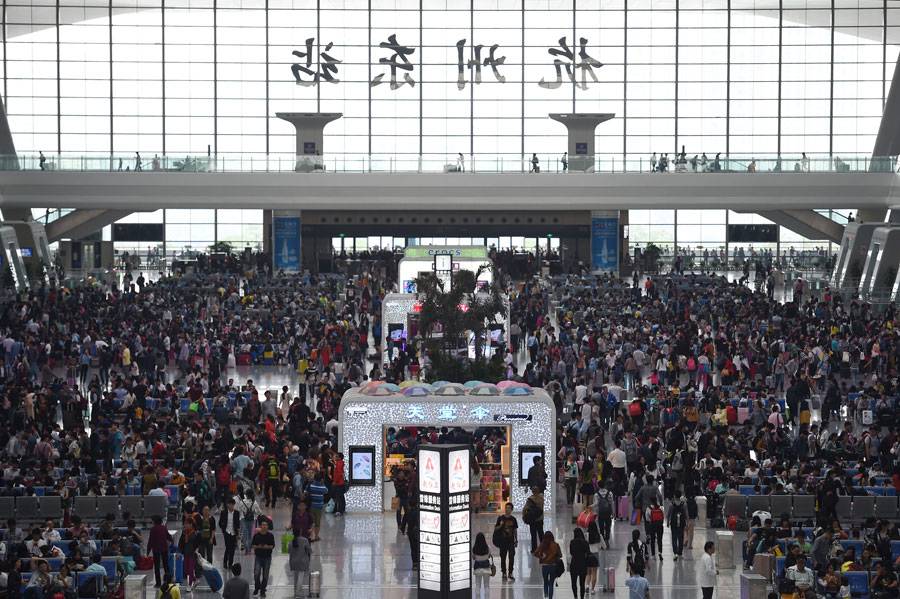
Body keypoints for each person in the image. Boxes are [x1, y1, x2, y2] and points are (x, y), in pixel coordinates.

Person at [494, 502, 518, 582]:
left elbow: (515, 530)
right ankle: (504, 572)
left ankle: (510, 572)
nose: (507, 510)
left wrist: (516, 540)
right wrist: (500, 525)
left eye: (509, 508)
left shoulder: (513, 519)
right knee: (503, 557)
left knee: (511, 557)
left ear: (511, 510)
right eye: (506, 508)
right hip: (502, 541)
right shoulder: (500, 518)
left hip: (511, 542)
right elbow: (496, 529)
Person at [533, 531, 561, 599]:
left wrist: (542, 557)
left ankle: (545, 594)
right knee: (551, 583)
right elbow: (560, 555)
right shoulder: (556, 545)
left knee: (545, 581)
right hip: (553, 566)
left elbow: (535, 553)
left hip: (545, 565)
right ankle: (550, 597)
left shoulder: (542, 545)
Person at [148, 514, 173, 588]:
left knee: (157, 566)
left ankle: (158, 583)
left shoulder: (152, 530)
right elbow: (169, 536)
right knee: (166, 565)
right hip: (164, 549)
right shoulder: (164, 528)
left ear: (154, 521)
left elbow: (150, 541)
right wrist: (172, 541)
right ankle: (168, 581)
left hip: (156, 550)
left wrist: (148, 550)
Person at [251, 520, 275, 598]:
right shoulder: (256, 536)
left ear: (267, 527)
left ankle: (262, 590)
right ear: (260, 526)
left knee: (265, 575)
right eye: (263, 525)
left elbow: (272, 546)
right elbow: (253, 546)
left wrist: (267, 547)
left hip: (267, 557)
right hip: (258, 557)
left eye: (266, 525)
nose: (264, 526)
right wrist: (259, 547)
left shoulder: (270, 536)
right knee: (256, 573)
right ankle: (257, 587)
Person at [219, 498, 241, 571]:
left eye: (232, 504)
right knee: (228, 547)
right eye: (229, 504)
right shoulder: (224, 512)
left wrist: (238, 534)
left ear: (234, 505)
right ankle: (225, 563)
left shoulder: (237, 513)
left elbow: (238, 524)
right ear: (227, 504)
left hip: (234, 533)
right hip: (227, 532)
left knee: (232, 549)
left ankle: (230, 564)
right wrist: (223, 529)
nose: (230, 505)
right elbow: (220, 523)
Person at [288, 533, 312, 597]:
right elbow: (309, 550)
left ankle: (295, 591)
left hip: (293, 562)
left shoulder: (291, 540)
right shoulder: (305, 540)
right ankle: (298, 592)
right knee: (300, 577)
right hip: (302, 561)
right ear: (300, 532)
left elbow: (288, 550)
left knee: (295, 577)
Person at [569, 527, 590, 599]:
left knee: (574, 583)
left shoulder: (572, 542)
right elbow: (588, 553)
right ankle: (582, 597)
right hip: (583, 564)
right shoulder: (585, 542)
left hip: (574, 564)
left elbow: (571, 553)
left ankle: (575, 596)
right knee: (582, 584)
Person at [523, 486, 545, 552]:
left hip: (533, 519)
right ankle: (543, 547)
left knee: (533, 535)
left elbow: (525, 509)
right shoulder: (541, 497)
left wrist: (524, 516)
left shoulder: (530, 499)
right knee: (541, 533)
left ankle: (534, 549)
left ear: (532, 491)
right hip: (540, 518)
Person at [472, 532, 493, 599]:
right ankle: (487, 597)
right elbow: (489, 557)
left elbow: (473, 558)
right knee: (487, 585)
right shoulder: (488, 548)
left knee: (478, 585)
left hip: (477, 568)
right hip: (486, 568)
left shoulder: (474, 549)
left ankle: (477, 597)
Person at [667, 496, 687, 561]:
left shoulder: (671, 504)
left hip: (674, 524)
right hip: (682, 524)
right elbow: (686, 514)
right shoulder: (684, 504)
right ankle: (680, 553)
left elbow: (668, 514)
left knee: (674, 538)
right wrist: (687, 523)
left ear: (675, 496)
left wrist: (667, 522)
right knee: (681, 538)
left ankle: (675, 553)